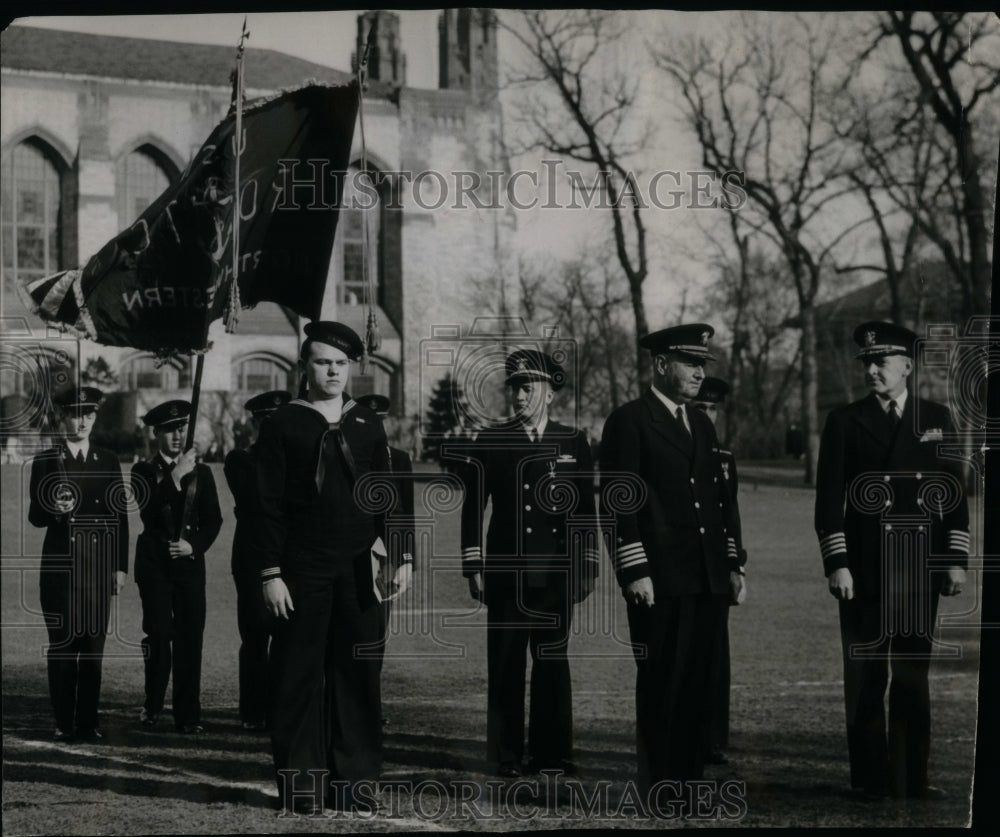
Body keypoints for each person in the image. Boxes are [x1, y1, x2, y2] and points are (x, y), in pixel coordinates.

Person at [254, 322, 412, 814]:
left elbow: (389, 495)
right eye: (323, 362)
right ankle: (301, 784)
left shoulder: (366, 421)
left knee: (358, 674)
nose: (333, 371)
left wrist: (402, 554)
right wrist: (270, 573)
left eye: (341, 363)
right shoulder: (283, 424)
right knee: (298, 675)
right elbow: (266, 506)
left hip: (360, 569)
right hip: (303, 569)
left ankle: (354, 782)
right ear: (305, 368)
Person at [815, 321, 969, 801]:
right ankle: (869, 778)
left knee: (910, 675)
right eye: (867, 362)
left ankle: (910, 776)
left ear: (907, 366)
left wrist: (954, 558)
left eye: (881, 362)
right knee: (864, 677)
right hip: (862, 571)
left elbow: (954, 496)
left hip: (918, 569)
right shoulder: (844, 421)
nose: (872, 370)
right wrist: (836, 562)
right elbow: (828, 502)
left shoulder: (937, 417)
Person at [599, 324, 744, 797]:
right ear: (660, 365)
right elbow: (619, 502)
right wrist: (634, 569)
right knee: (663, 681)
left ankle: (688, 783)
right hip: (659, 579)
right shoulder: (630, 421)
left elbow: (718, 501)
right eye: (690, 363)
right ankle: (660, 784)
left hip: (705, 577)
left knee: (699, 683)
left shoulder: (700, 422)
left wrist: (731, 566)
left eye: (703, 364)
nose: (700, 372)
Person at [461, 349, 599, 778]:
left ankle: (551, 754)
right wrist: (474, 564)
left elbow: (583, 512)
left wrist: (587, 564)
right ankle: (503, 755)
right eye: (515, 387)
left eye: (529, 387)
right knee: (505, 663)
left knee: (552, 663)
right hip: (506, 572)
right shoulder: (491, 439)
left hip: (556, 573)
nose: (520, 396)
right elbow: (473, 508)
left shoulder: (573, 440)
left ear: (550, 393)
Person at [28, 386, 129, 742]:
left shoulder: (108, 459)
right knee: (62, 649)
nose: (81, 421)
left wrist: (120, 567)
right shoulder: (46, 460)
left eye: (88, 414)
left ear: (95, 418)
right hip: (60, 571)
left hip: (98, 571)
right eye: (74, 413)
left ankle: (88, 722)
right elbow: (34, 517)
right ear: (62, 418)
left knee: (92, 652)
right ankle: (63, 721)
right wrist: (52, 509)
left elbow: (119, 517)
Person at [132, 400, 222, 734]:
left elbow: (214, 520)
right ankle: (153, 704)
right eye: (169, 430)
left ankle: (188, 714)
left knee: (189, 639)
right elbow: (149, 512)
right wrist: (175, 476)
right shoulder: (142, 470)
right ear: (156, 433)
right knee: (158, 635)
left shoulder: (205, 472)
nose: (176, 436)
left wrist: (193, 546)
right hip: (154, 564)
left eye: (181, 429)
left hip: (188, 567)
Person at [223, 390, 292, 731]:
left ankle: (281, 706)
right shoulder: (241, 460)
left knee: (288, 637)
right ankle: (253, 710)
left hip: (290, 557)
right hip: (252, 557)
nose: (271, 428)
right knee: (254, 636)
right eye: (266, 422)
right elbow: (258, 499)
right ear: (255, 423)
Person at [690, 376, 749, 766]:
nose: (708, 416)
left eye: (713, 410)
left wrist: (735, 566)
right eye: (701, 409)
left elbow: (731, 516)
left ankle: (713, 739)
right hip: (682, 568)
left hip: (716, 569)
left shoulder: (724, 459)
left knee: (715, 657)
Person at [355, 393, 416, 720]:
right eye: (371, 419)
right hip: (352, 554)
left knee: (377, 633)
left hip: (385, 562)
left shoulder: (400, 460)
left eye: (382, 419)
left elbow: (406, 514)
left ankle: (368, 705)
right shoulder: (348, 455)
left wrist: (407, 559)